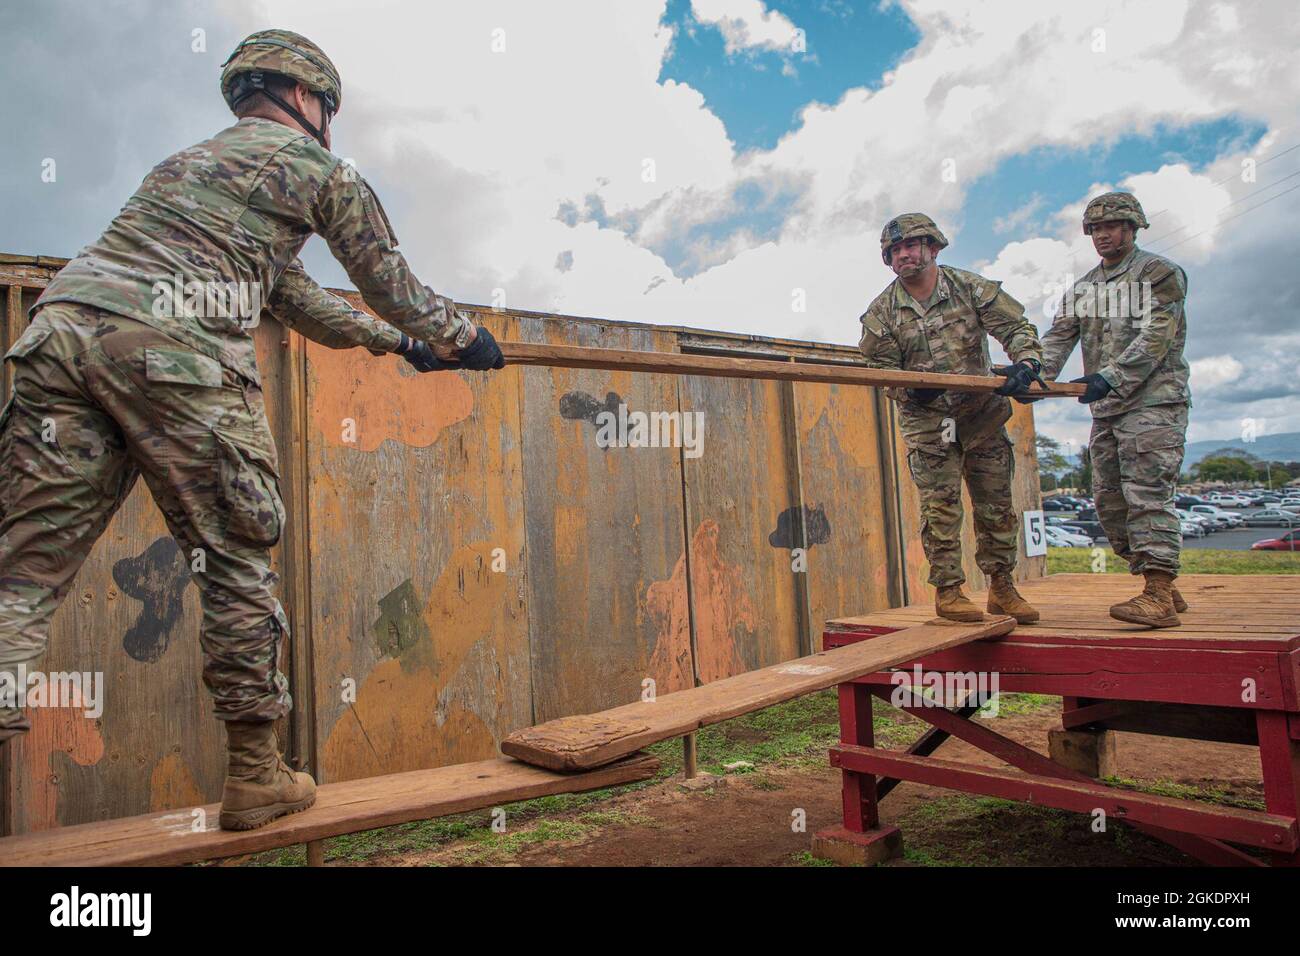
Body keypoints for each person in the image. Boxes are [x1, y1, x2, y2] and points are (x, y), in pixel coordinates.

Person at [0, 30, 504, 830]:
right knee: (236, 557)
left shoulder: (183, 170)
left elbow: (297, 296)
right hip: (180, 351)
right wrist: (459, 339)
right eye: (326, 106)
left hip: (61, 333)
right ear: (309, 98)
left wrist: (400, 347)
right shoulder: (321, 169)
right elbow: (391, 282)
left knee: (20, 574)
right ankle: (256, 776)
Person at [859, 214, 1045, 624]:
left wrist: (1027, 363)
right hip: (929, 426)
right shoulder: (881, 314)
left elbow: (1015, 327)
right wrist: (910, 388)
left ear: (933, 248)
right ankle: (949, 591)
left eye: (911, 245)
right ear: (888, 260)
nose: (903, 255)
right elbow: (881, 372)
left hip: (982, 419)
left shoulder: (970, 288)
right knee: (941, 510)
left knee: (996, 506)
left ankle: (1002, 587)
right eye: (894, 251)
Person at [1039, 191, 1191, 628]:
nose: (1103, 235)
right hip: (1106, 409)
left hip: (1153, 402)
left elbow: (1156, 338)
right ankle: (1157, 578)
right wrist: (1033, 374)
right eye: (1095, 229)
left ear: (1132, 228)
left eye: (1112, 227)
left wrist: (1112, 376)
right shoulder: (1084, 288)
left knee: (1147, 495)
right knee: (1108, 501)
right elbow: (1058, 338)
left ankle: (1158, 594)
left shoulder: (1158, 274)